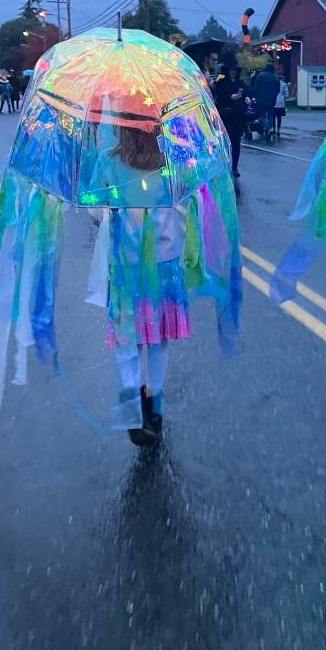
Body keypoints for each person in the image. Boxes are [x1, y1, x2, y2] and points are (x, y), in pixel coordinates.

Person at [93, 121, 191, 446]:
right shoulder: (172, 160)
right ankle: (155, 405)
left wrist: (116, 204)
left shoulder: (109, 159)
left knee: (129, 337)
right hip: (165, 261)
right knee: (159, 337)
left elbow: (95, 210)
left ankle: (133, 404)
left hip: (127, 262)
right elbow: (186, 200)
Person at [212, 63, 246, 178]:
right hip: (226, 117)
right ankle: (225, 165)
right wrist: (230, 97)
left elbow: (247, 92)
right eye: (231, 70)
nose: (233, 72)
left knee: (236, 143)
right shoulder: (221, 82)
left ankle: (234, 166)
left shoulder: (240, 83)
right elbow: (219, 96)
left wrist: (246, 98)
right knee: (225, 142)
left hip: (238, 117)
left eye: (235, 70)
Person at [253, 61, 280, 141]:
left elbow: (255, 87)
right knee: (270, 115)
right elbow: (278, 90)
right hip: (271, 100)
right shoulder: (275, 77)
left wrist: (255, 96)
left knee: (262, 115)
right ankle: (270, 128)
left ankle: (266, 128)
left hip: (260, 99)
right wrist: (274, 95)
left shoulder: (260, 75)